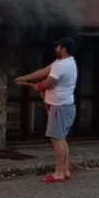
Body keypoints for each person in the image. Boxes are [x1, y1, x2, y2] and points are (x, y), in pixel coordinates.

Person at [15, 37, 78, 183]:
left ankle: (58, 173)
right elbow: (45, 71)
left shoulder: (63, 66)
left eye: (58, 47)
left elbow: (48, 82)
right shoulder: (63, 63)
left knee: (56, 139)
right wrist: (25, 78)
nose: (55, 49)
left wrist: (39, 86)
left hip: (59, 107)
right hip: (63, 106)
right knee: (61, 138)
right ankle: (65, 170)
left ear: (64, 49)